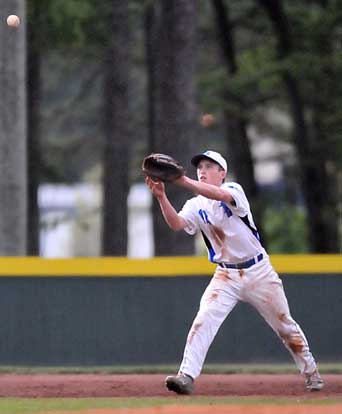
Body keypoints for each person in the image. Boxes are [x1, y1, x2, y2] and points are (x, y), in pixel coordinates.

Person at [145, 149, 324, 395]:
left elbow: (218, 194)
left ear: (223, 173)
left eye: (209, 166)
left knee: (285, 326)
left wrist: (183, 181)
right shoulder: (195, 205)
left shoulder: (234, 190)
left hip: (258, 271)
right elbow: (176, 224)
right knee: (203, 320)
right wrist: (162, 197)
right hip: (225, 275)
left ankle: (311, 373)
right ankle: (186, 376)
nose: (202, 170)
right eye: (199, 167)